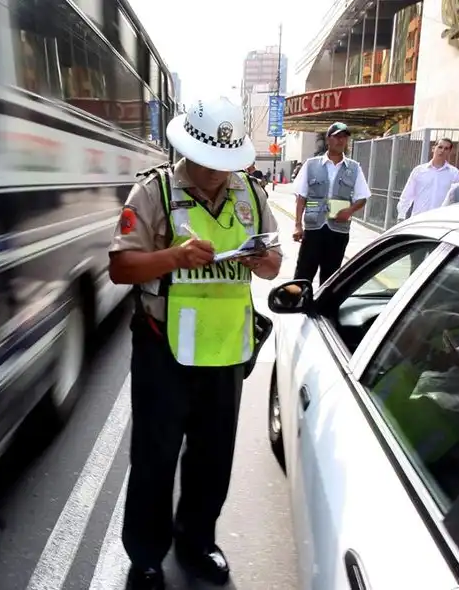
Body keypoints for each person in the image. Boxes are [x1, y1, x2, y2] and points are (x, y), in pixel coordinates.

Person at [108, 96, 282, 590]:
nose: (217, 174)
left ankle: (198, 542)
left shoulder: (251, 193)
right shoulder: (153, 192)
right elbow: (120, 267)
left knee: (213, 458)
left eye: (226, 164)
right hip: (163, 348)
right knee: (154, 458)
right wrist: (173, 257)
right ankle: (145, 554)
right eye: (209, 164)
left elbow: (273, 264)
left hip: (226, 349)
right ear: (190, 150)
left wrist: (260, 262)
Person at [291, 122, 370, 285]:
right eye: (337, 137)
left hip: (338, 230)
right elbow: (301, 196)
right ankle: (299, 305)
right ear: (328, 139)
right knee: (304, 272)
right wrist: (298, 225)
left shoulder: (354, 168)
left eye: (344, 137)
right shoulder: (311, 164)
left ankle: (324, 309)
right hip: (314, 228)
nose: (341, 141)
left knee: (331, 276)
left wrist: (349, 210)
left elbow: (363, 197)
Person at [396, 137, 459, 222]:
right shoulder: (419, 170)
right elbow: (407, 194)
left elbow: (458, 197)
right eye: (440, 147)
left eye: (446, 148)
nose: (442, 151)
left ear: (449, 152)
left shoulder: (454, 173)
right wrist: (401, 215)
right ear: (433, 148)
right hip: (418, 219)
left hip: (441, 221)